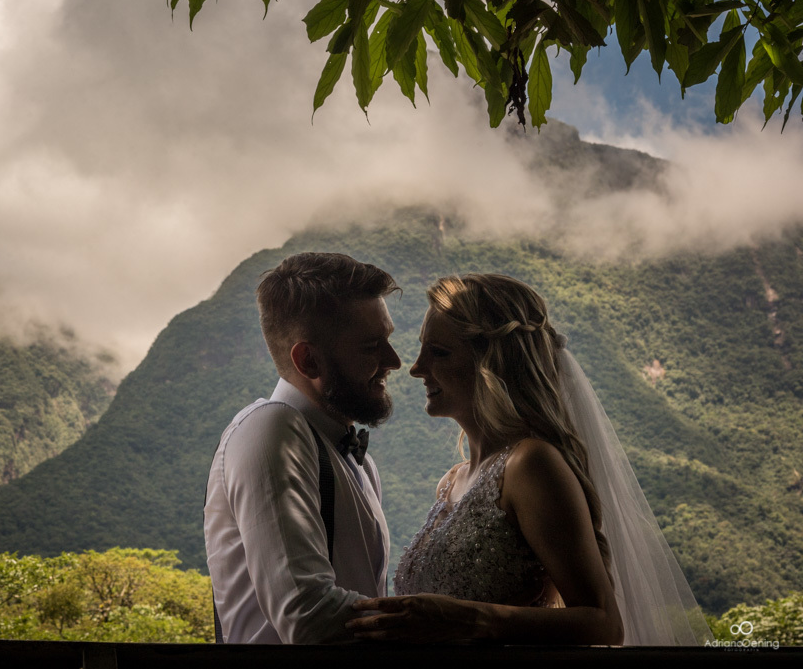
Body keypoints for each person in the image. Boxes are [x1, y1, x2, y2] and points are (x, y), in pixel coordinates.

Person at [346, 273, 711, 645]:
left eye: (439, 352)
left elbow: (604, 623)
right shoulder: (450, 482)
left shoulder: (532, 466)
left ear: (492, 363)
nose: (416, 368)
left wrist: (471, 619)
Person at [204, 252, 401, 643]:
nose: (393, 361)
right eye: (370, 347)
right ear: (308, 360)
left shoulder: (361, 464)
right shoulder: (271, 429)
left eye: (388, 341)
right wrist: (439, 623)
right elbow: (308, 615)